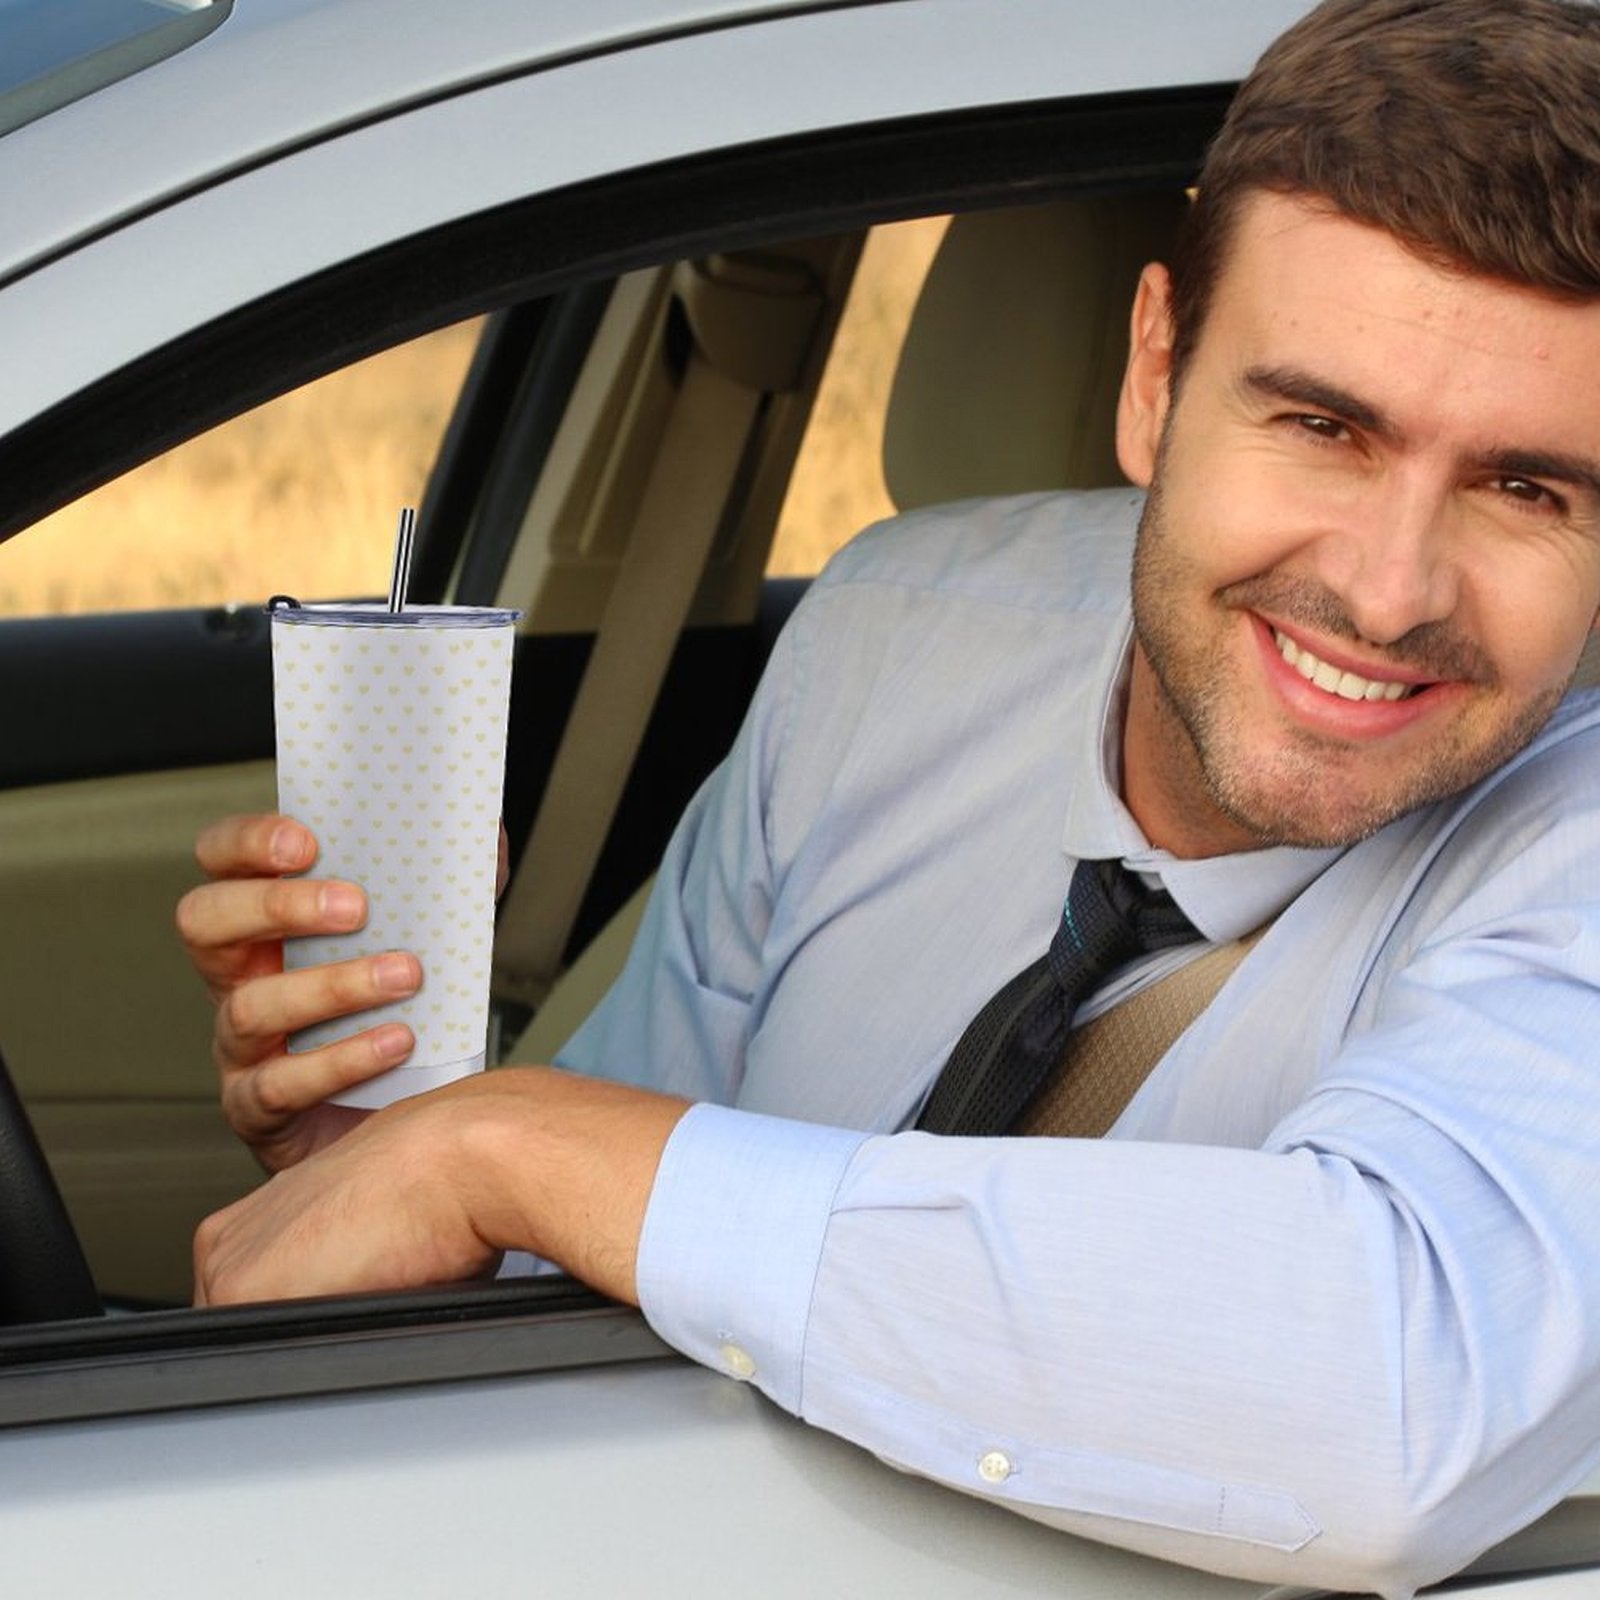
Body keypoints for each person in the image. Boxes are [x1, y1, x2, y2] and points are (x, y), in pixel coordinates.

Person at [177, 1, 1600, 1593]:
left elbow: (1385, 1404)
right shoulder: (898, 635)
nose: (1392, 591)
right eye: (1322, 426)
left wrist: (508, 1142)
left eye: (1527, 489)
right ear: (1152, 381)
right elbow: (586, 1230)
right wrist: (390, 1159)